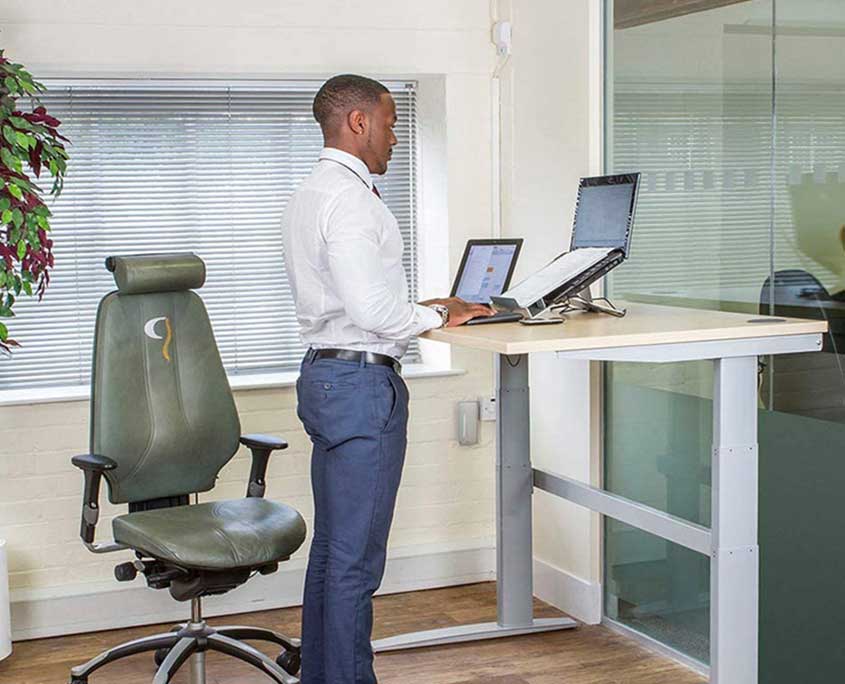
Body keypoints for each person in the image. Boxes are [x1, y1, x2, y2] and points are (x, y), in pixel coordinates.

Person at [280, 74, 494, 684]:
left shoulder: (312, 190)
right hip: (359, 388)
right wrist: (435, 316)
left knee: (331, 551)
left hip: (326, 376)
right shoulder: (350, 199)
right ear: (357, 123)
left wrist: (422, 307)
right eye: (391, 121)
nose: (396, 136)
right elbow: (374, 315)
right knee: (356, 561)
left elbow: (354, 300)